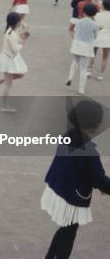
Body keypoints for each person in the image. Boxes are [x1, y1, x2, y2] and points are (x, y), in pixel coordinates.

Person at [41, 99, 110, 259]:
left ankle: (49, 257)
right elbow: (99, 179)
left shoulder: (68, 136)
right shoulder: (89, 151)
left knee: (65, 229)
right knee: (68, 236)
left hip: (59, 188)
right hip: (72, 196)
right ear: (93, 124)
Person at [0, 12, 30, 112]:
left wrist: (24, 33)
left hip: (9, 57)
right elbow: (16, 48)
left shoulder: (11, 31)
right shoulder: (11, 34)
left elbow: (18, 41)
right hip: (9, 59)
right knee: (9, 85)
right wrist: (24, 39)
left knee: (20, 75)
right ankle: (5, 106)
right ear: (16, 22)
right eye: (19, 21)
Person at [66, 3, 100, 95]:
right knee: (83, 68)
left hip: (77, 44)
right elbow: (95, 36)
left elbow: (76, 31)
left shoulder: (79, 21)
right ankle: (81, 89)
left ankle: (70, 77)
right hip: (86, 47)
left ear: (84, 12)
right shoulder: (95, 25)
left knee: (75, 62)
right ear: (94, 13)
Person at [91, 0, 110, 80]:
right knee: (105, 57)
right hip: (107, 39)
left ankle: (89, 70)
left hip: (97, 37)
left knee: (92, 54)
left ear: (102, 6)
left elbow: (94, 26)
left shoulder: (97, 15)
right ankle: (101, 75)